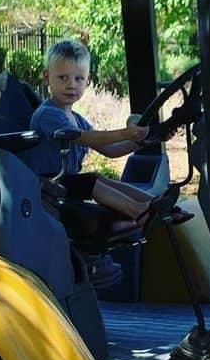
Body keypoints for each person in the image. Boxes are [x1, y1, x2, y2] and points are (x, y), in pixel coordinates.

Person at [31, 38, 159, 231]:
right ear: (47, 78)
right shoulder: (47, 114)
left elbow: (111, 150)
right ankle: (140, 212)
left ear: (88, 81)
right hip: (46, 186)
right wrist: (126, 132)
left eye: (78, 79)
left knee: (97, 178)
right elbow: (86, 138)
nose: (71, 85)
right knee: (91, 182)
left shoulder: (77, 119)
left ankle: (157, 204)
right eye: (63, 78)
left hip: (65, 183)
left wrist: (143, 140)